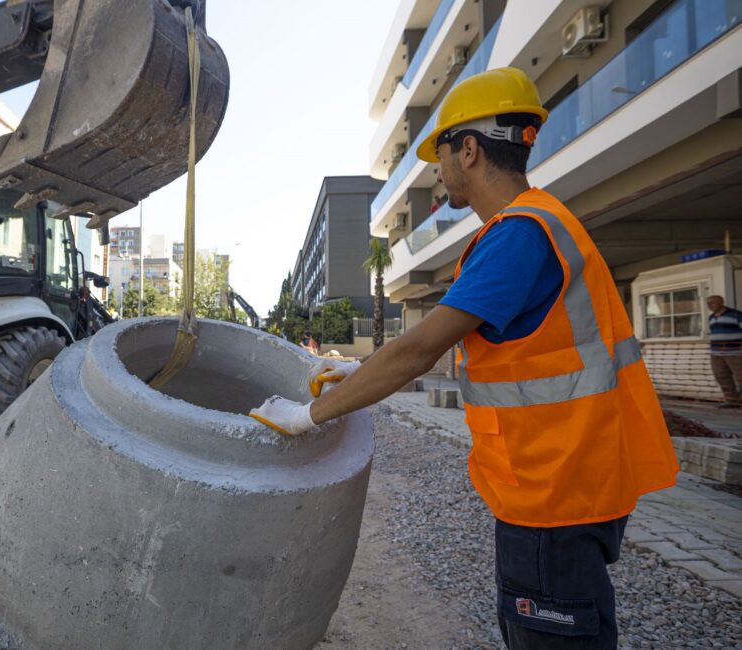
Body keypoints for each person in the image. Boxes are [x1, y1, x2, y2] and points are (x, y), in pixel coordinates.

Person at [250, 67, 678, 649]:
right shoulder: (541, 223)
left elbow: (420, 349)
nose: (437, 169)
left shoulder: (519, 234)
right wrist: (359, 371)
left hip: (555, 494)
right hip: (570, 483)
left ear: (470, 150)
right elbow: (464, 350)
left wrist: (307, 416)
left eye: (441, 154)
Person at [707, 294, 742, 408]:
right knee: (721, 377)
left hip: (736, 353)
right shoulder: (711, 317)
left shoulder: (735, 315)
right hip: (716, 354)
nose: (709, 305)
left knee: (740, 377)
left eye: (712, 302)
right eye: (708, 303)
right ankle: (732, 401)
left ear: (721, 303)